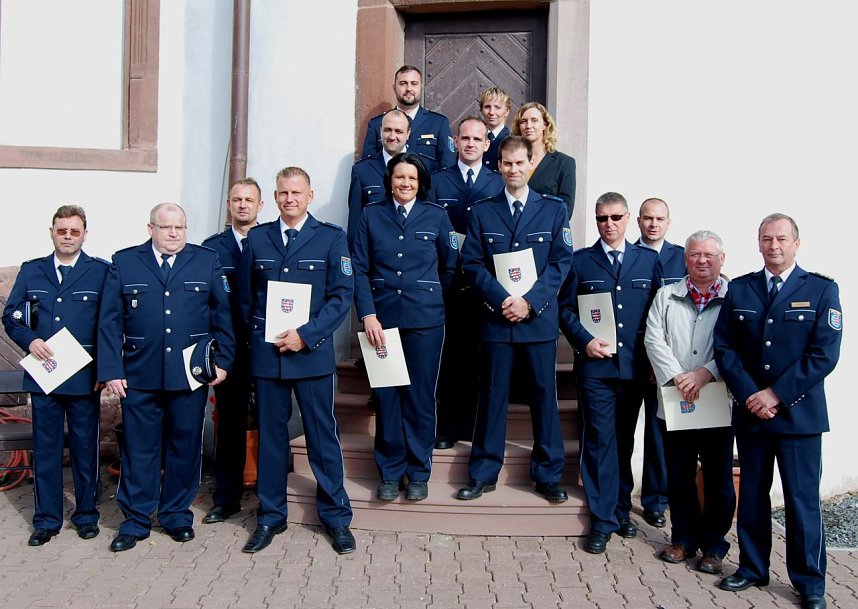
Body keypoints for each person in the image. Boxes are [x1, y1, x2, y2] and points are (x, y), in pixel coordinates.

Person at [714, 213, 841, 609]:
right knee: (751, 496)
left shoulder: (821, 290)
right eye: (766, 238)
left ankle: (810, 583)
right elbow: (725, 348)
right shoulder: (741, 289)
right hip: (752, 414)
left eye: (781, 239)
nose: (774, 245)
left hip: (798, 416)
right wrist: (753, 394)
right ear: (758, 243)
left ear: (796, 243)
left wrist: (776, 395)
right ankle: (752, 568)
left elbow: (823, 355)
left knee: (802, 501)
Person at [98, 203, 235, 552]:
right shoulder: (125, 262)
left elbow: (223, 316)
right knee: (139, 449)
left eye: (180, 227)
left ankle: (175, 515)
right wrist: (112, 370)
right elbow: (110, 322)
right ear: (151, 229)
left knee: (184, 448)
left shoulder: (205, 261)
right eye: (166, 227)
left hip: (188, 375)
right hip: (139, 375)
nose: (174, 233)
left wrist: (223, 362)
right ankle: (135, 520)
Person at [237, 166, 356, 555]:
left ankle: (336, 517)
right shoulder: (258, 239)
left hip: (312, 356)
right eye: (283, 193)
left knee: (322, 437)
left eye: (296, 193)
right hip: (269, 357)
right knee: (271, 439)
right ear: (275, 198)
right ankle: (271, 516)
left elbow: (341, 296)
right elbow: (245, 298)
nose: (289, 199)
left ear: (309, 196)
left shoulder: (330, 239)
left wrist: (306, 335)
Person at [457, 135, 573, 504]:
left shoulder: (553, 210)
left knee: (544, 398)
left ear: (530, 165)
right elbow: (471, 263)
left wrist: (530, 302)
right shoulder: (482, 211)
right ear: (498, 166)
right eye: (507, 163)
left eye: (520, 163)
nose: (513, 169)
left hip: (537, 322)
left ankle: (549, 474)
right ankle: (483, 472)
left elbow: (560, 263)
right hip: (496, 319)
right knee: (492, 399)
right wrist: (502, 299)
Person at [559, 192, 662, 554]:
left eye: (616, 217)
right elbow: (566, 310)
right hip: (595, 368)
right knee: (600, 440)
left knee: (624, 441)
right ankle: (602, 520)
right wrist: (584, 341)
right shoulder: (580, 262)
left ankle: (620, 510)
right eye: (602, 218)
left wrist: (656, 364)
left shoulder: (648, 262)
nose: (609, 224)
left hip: (635, 368)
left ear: (628, 218)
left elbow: (658, 316)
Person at [352, 152, 458, 501]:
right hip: (381, 321)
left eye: (412, 178)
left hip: (425, 320)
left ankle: (418, 472)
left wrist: (427, 294)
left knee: (420, 397)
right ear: (390, 180)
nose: (405, 183)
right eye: (399, 177)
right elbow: (360, 268)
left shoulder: (437, 215)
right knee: (387, 398)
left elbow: (449, 266)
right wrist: (368, 314)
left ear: (421, 182)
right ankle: (390, 470)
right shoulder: (371, 215)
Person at [2, 205, 108, 546]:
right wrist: (29, 340)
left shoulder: (101, 272)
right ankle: (46, 519)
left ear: (84, 235)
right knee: (46, 449)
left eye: (74, 231)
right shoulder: (33, 271)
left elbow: (110, 328)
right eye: (62, 230)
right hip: (44, 378)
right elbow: (12, 317)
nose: (67, 236)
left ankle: (87, 515)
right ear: (51, 232)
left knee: (84, 448)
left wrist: (104, 371)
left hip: (82, 377)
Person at [644, 230, 735, 574]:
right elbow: (654, 338)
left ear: (721, 259)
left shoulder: (735, 297)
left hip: (716, 399)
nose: (702, 261)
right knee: (679, 474)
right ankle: (683, 538)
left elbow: (737, 345)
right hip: (675, 397)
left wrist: (704, 374)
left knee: (718, 478)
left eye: (709, 256)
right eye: (695, 255)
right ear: (685, 258)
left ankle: (714, 545)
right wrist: (678, 376)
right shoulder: (667, 296)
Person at [428, 116, 504, 450]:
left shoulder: (497, 182)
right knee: (448, 358)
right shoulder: (437, 181)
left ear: (487, 145)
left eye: (478, 139)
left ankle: (473, 426)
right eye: (465, 138)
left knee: (479, 359)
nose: (471, 144)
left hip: (484, 284)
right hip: (447, 282)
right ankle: (446, 427)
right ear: (455, 141)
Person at [200, 177, 265, 525]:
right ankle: (226, 498)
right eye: (237, 199)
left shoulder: (271, 240)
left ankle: (270, 494)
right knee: (229, 424)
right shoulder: (212, 249)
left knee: (271, 421)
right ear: (229, 203)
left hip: (268, 348)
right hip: (229, 351)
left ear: (260, 205)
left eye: (249, 200)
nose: (243, 205)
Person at [635, 197, 687, 529]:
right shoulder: (628, 255)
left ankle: (656, 500)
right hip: (630, 358)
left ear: (668, 222)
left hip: (667, 363)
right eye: (648, 218)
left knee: (660, 433)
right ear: (637, 221)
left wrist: (666, 366)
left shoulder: (683, 258)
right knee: (623, 431)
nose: (654, 224)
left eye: (660, 219)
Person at [360, 65, 455, 170]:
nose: (409, 89)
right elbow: (367, 168)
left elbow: (448, 167)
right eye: (403, 84)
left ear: (421, 87)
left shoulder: (438, 124)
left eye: (414, 84)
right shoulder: (376, 124)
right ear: (394, 87)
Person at [347, 109, 411, 248]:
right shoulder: (362, 170)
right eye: (388, 130)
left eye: (399, 131)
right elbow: (355, 225)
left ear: (408, 133)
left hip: (414, 259)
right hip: (374, 257)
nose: (392, 136)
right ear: (380, 130)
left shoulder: (423, 168)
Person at [511, 101, 576, 219]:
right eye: (523, 121)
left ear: (545, 124)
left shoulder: (564, 163)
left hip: (545, 232)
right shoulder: (511, 161)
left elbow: (566, 210)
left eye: (534, 120)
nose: (528, 126)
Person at [478, 86, 512, 170]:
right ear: (481, 110)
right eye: (487, 107)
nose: (491, 112)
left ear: (507, 111)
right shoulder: (474, 137)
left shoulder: (512, 139)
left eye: (497, 107)